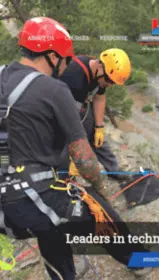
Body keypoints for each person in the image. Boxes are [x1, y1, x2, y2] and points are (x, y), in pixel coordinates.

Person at [0, 17, 150, 279]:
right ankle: (137, 259)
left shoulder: (2, 73)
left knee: (52, 224)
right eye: (65, 58)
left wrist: (99, 127)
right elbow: (85, 160)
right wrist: (99, 188)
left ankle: (63, 273)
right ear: (52, 56)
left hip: (7, 208)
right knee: (101, 212)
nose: (68, 62)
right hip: (24, 201)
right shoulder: (56, 89)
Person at [59, 48, 131, 180]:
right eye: (109, 80)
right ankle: (64, 173)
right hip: (59, 109)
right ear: (100, 66)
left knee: (97, 137)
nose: (109, 85)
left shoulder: (101, 74)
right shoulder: (75, 77)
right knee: (69, 141)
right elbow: (68, 120)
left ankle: (113, 170)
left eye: (113, 83)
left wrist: (99, 127)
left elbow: (100, 98)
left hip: (77, 105)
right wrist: (72, 155)